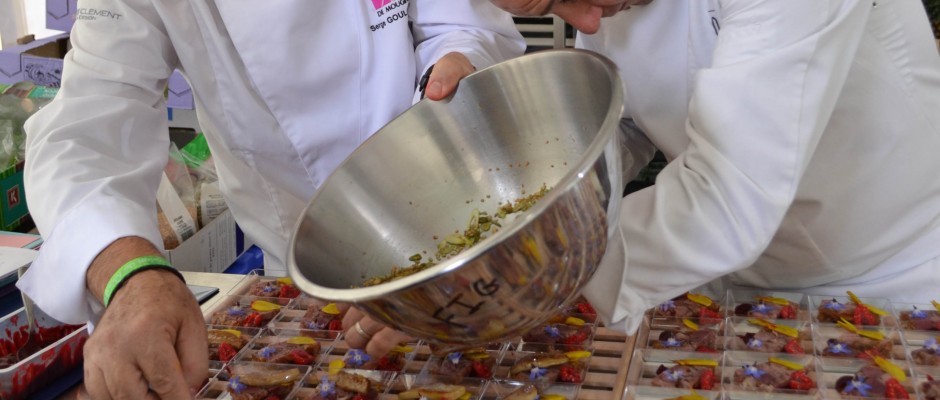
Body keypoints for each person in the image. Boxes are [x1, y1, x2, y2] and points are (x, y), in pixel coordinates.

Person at [18, 1, 524, 398]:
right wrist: (129, 275)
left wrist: (458, 71)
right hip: (309, 281)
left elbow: (464, 28)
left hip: (461, 230)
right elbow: (89, 122)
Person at [488, 0, 940, 333]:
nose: (585, 22)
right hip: (732, 276)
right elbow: (633, 121)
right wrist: (551, 196)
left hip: (895, 277)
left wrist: (539, 268)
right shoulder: (601, 6)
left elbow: (731, 191)